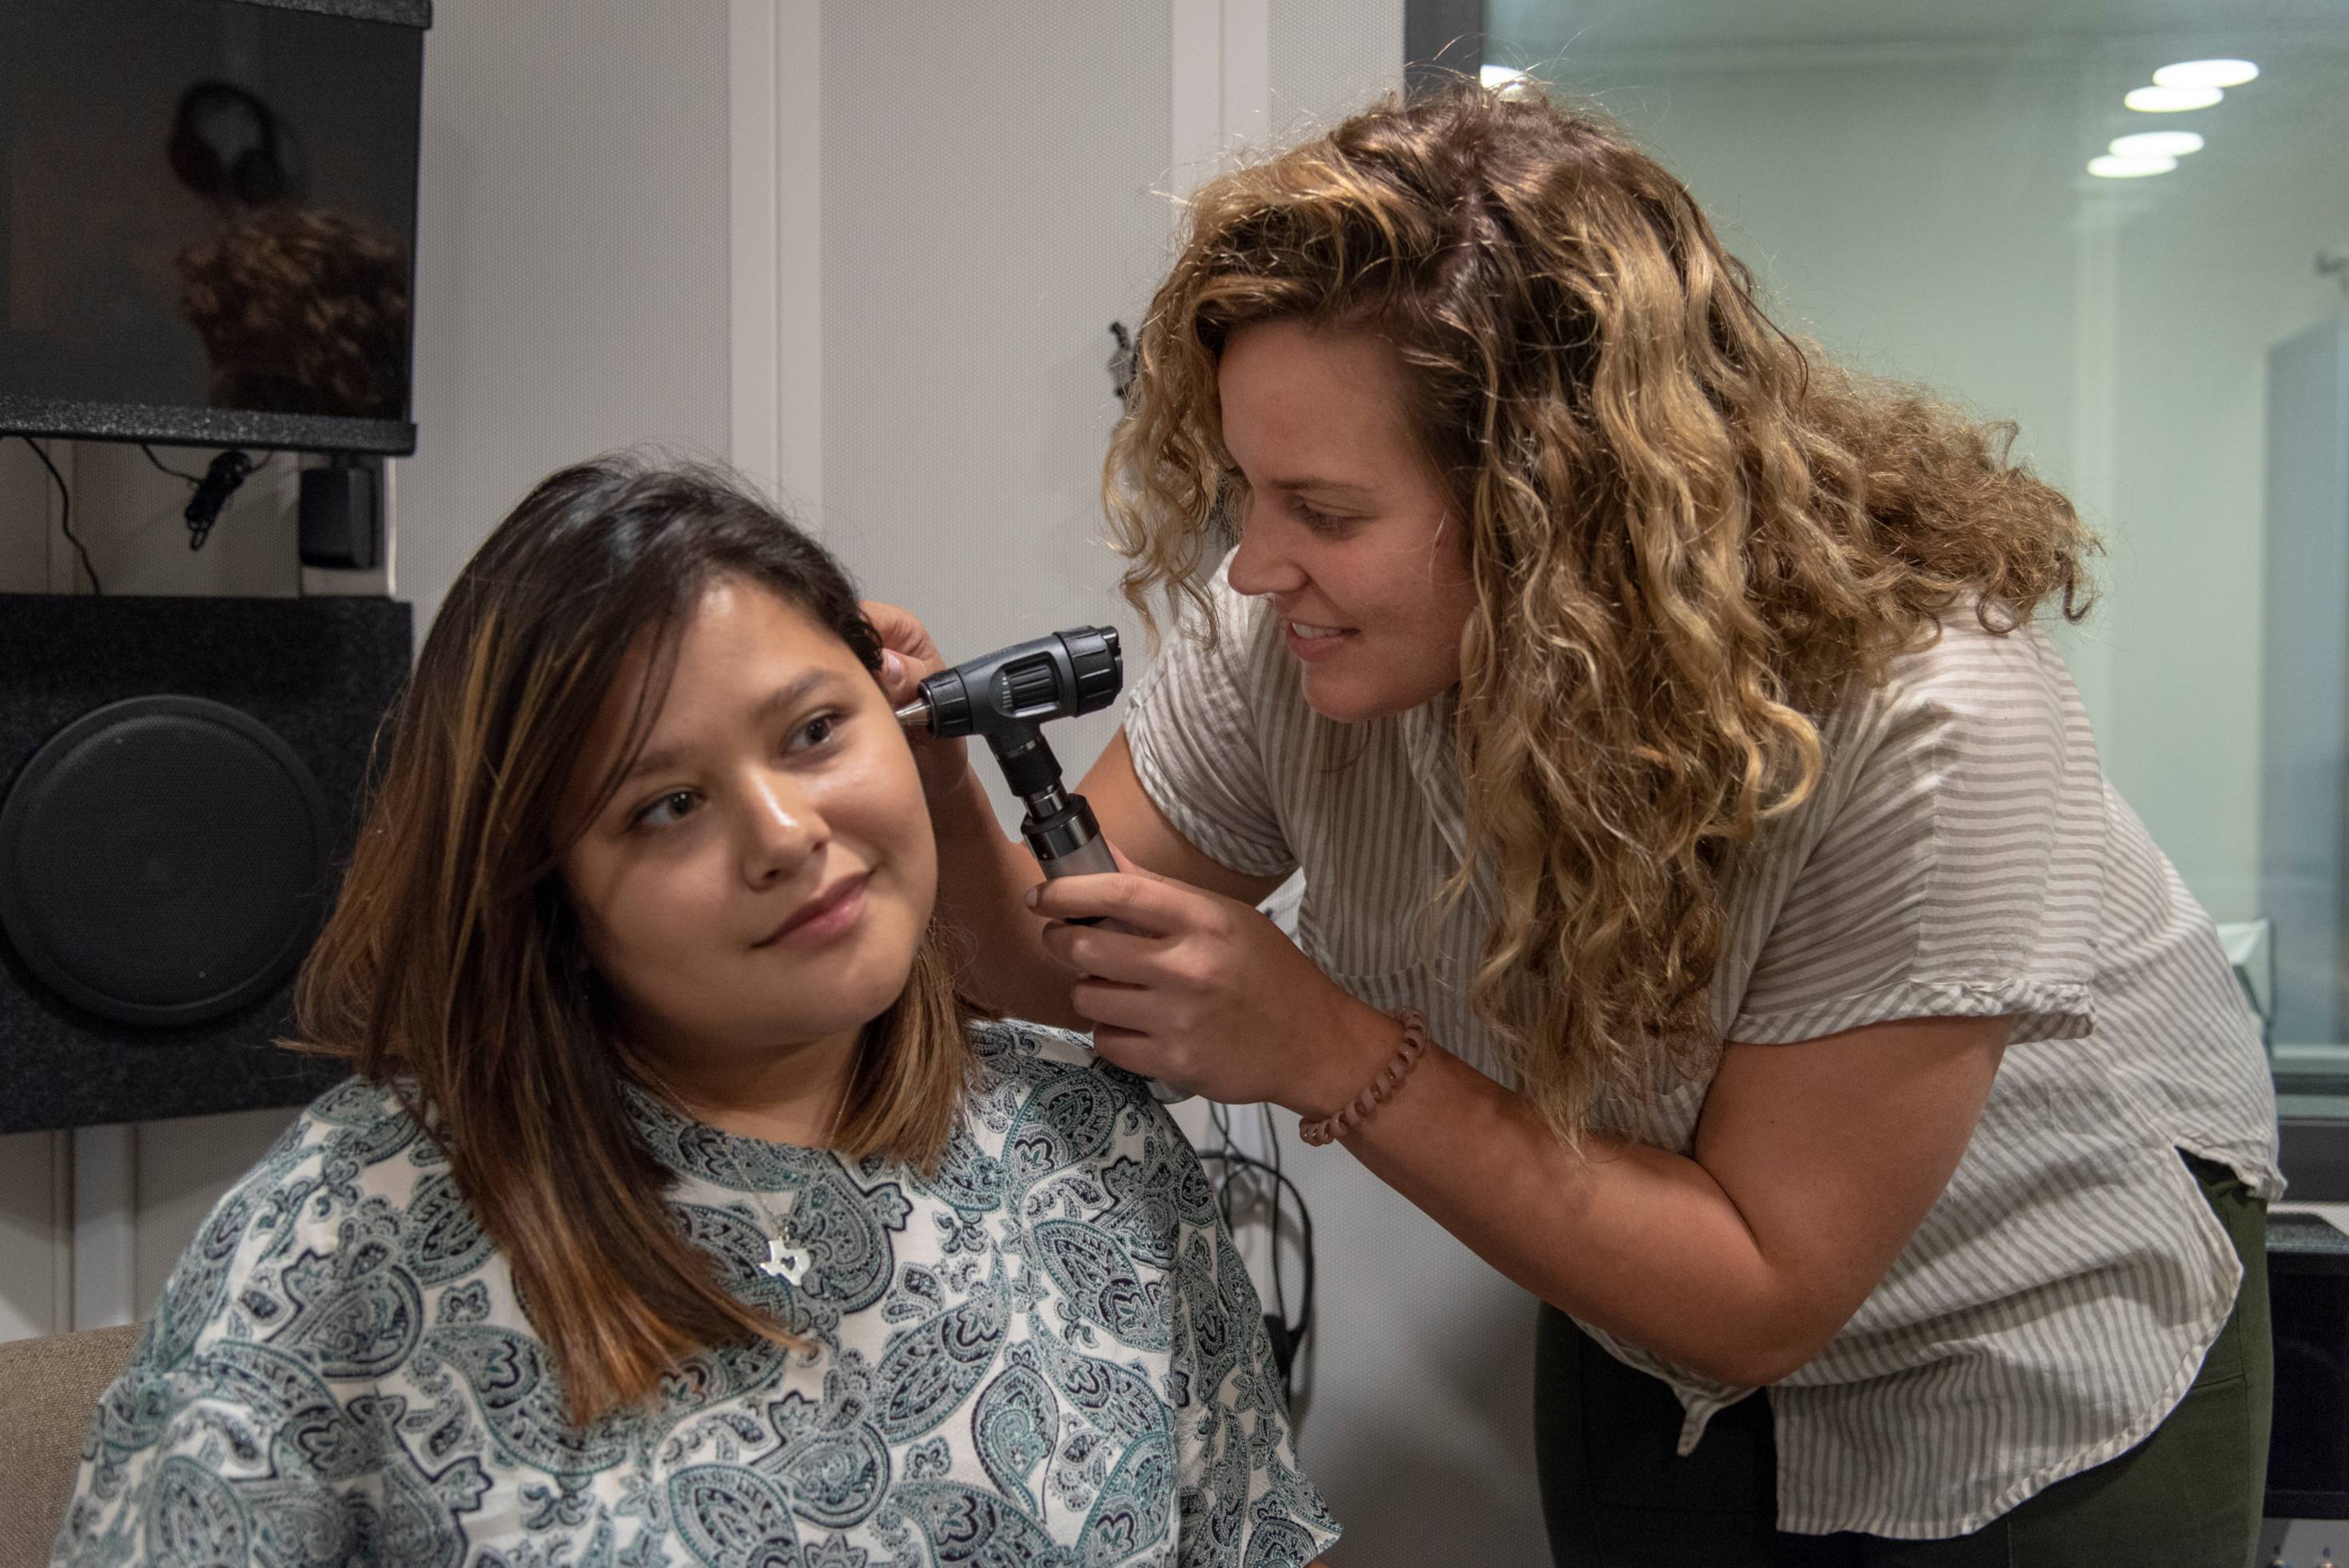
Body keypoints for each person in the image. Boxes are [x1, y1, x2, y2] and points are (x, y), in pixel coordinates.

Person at [870, 84, 2280, 1566]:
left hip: (2029, 1336)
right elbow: (1044, 960)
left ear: (1559, 500)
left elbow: (1761, 1290)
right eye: (1245, 493)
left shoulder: (1932, 717)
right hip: (1645, 1321)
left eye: (1326, 512)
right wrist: (934, 790)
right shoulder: (1290, 634)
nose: (1254, 568)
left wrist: (1321, 1044)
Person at [53, 457, 1340, 1567]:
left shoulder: (1100, 1152)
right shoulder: (356, 1223)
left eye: (816, 730)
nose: (786, 834)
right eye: (664, 805)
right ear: (543, 890)